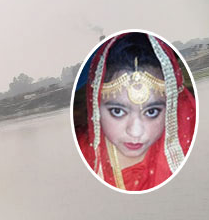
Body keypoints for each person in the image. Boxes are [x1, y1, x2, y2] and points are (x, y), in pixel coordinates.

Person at [75, 32, 195, 192]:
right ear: (96, 106)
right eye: (117, 111)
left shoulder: (189, 145)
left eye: (152, 111)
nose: (136, 132)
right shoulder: (79, 155)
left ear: (171, 107)